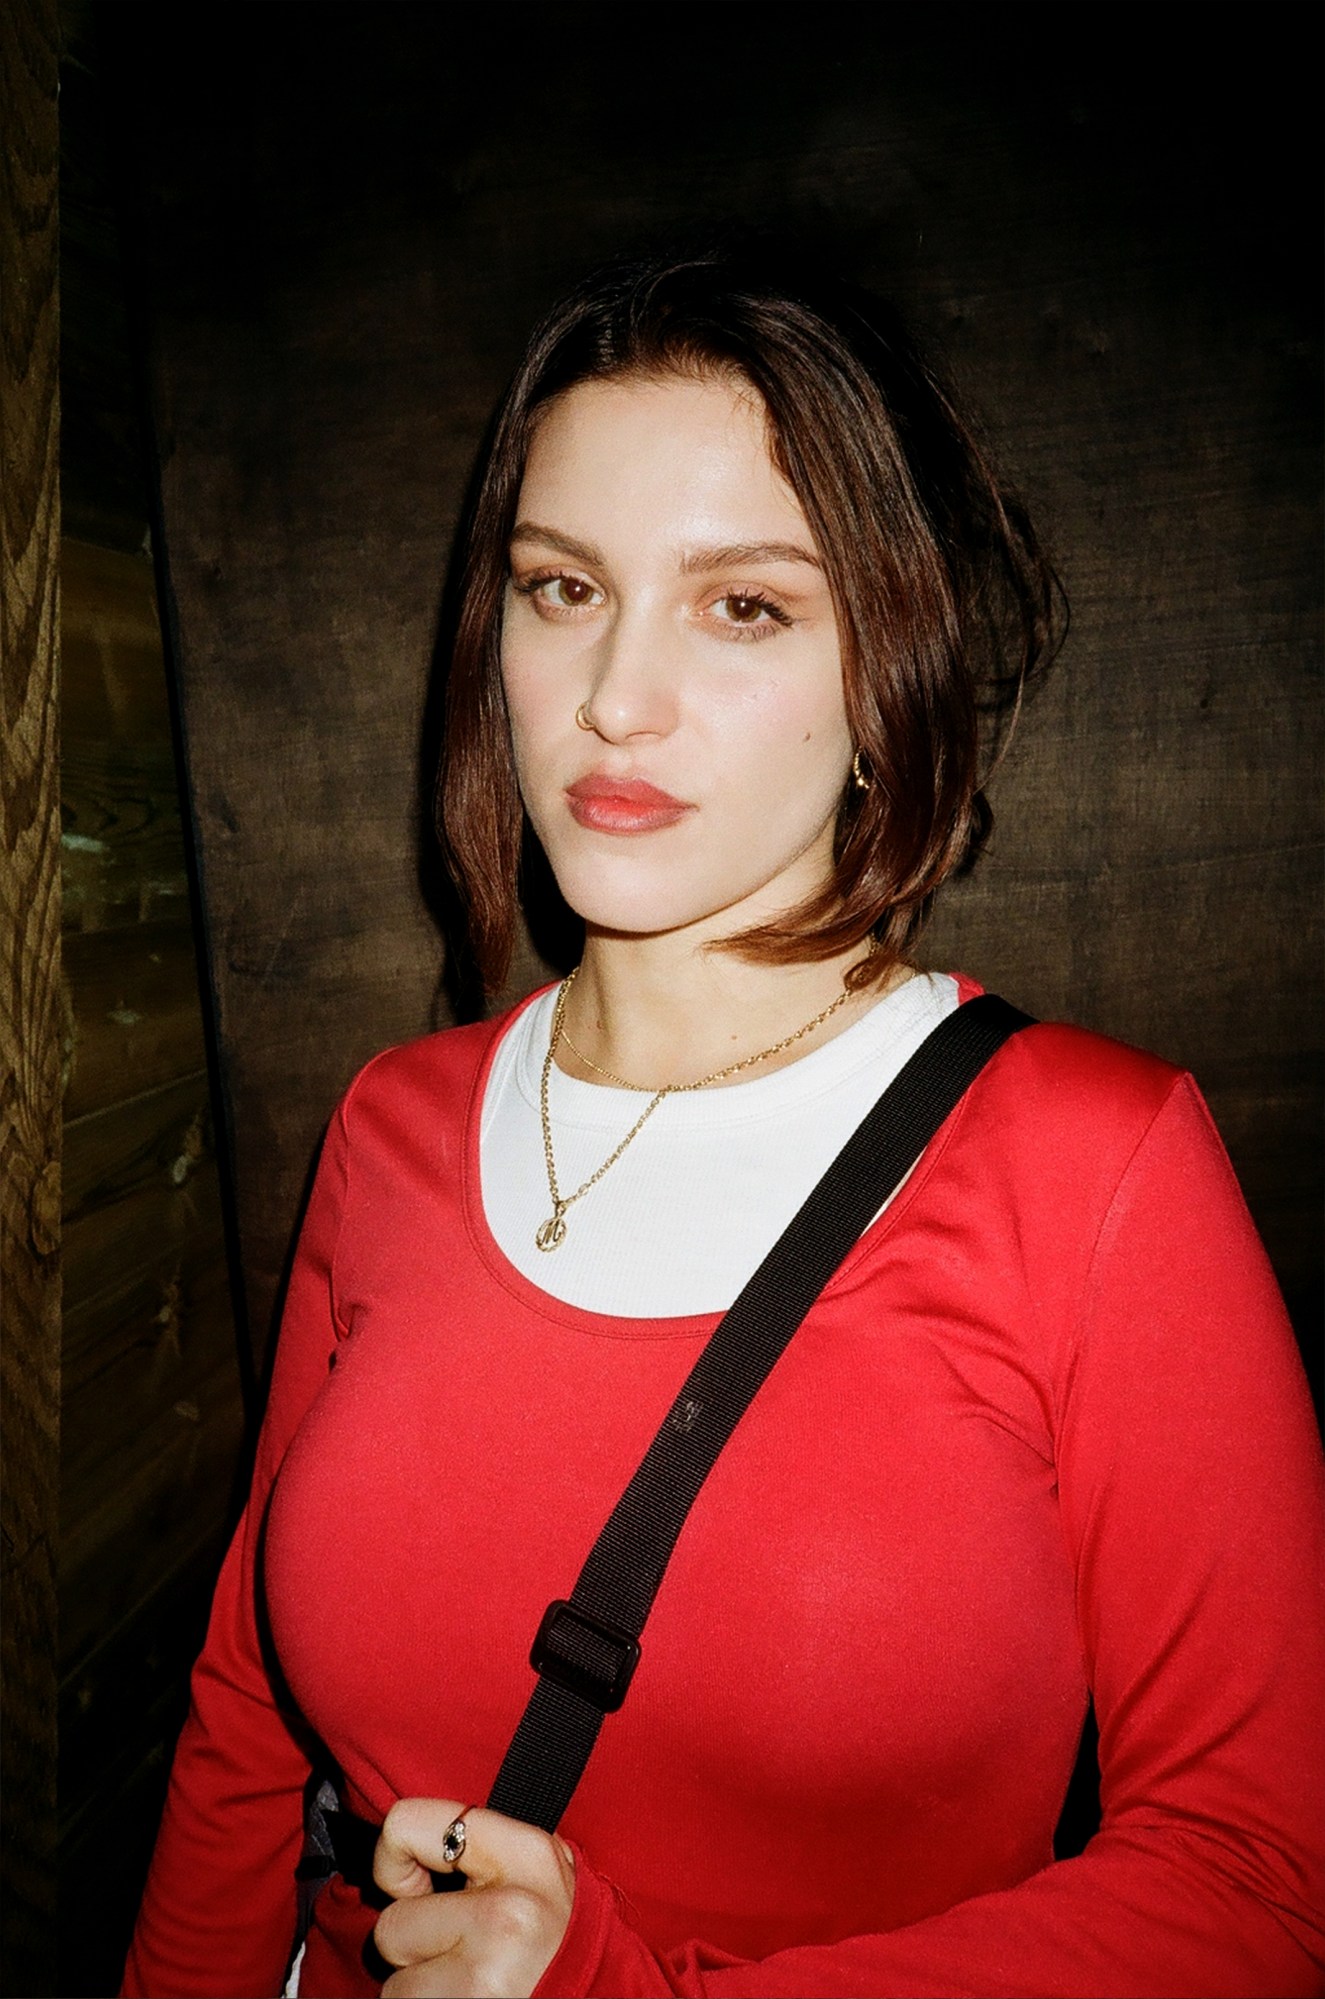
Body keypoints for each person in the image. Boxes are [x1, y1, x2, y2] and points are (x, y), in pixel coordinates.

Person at [123, 252, 1325, 1999]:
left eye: (742, 605)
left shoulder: (1094, 1162)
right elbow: (241, 1727)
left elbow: (1257, 1884)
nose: (617, 695)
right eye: (560, 588)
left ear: (888, 663)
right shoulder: (395, 1123)